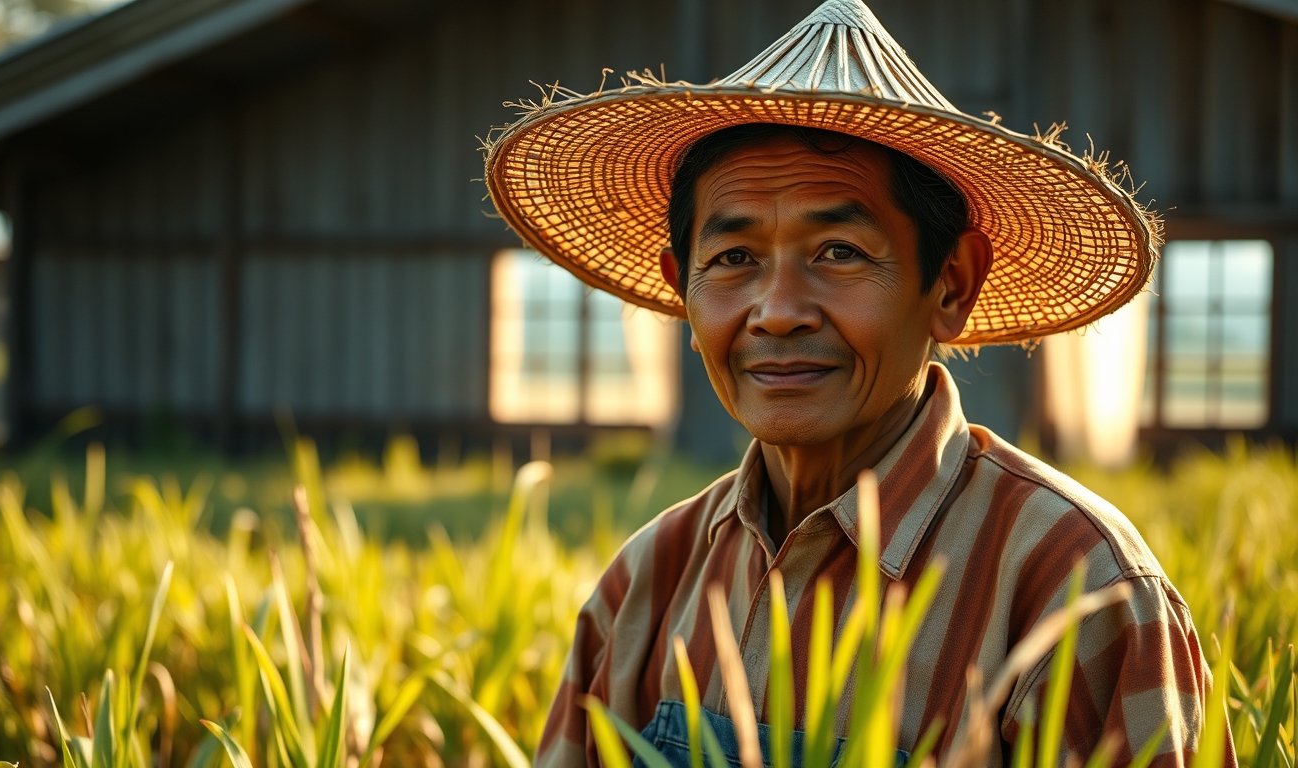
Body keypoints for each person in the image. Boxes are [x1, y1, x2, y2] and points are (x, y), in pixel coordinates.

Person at [483, 1, 1234, 766]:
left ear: (950, 284)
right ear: (683, 290)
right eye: (734, 258)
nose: (775, 314)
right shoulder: (649, 579)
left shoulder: (1077, 590)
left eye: (839, 251)